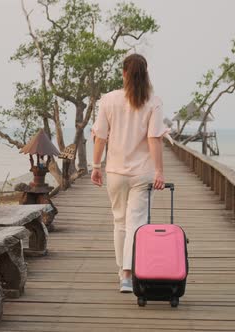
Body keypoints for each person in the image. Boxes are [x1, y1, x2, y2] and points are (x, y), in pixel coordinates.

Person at [90, 53, 171, 293]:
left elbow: (100, 137)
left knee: (119, 222)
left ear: (124, 73)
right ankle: (128, 273)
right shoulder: (153, 101)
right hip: (143, 172)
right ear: (146, 74)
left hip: (115, 171)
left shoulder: (108, 99)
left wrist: (96, 166)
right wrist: (159, 171)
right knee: (137, 223)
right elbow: (154, 139)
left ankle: (123, 273)